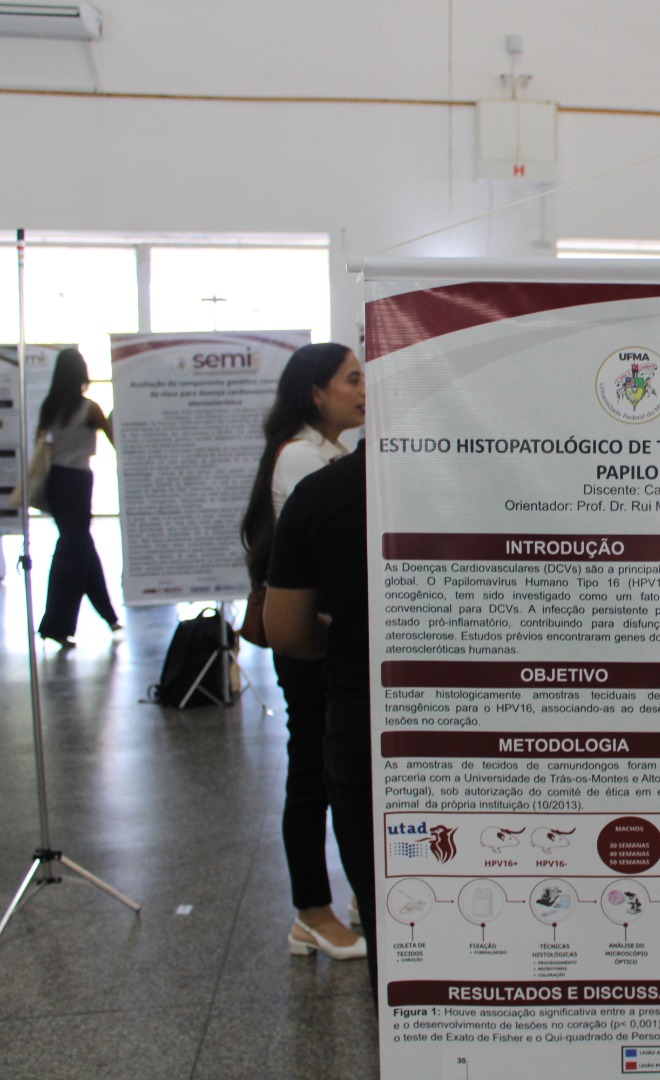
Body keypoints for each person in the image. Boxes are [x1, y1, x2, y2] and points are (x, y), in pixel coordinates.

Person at [240, 342, 367, 963]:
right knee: (312, 769)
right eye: (351, 379)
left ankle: (352, 896)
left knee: (322, 765)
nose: (364, 390)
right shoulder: (302, 458)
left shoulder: (330, 452)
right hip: (308, 641)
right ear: (316, 393)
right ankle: (311, 911)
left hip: (325, 636)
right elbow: (319, 557)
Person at [264, 441, 376, 996]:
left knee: (394, 923)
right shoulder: (522, 474)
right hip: (514, 735)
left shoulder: (322, 493)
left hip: (367, 724)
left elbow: (286, 632)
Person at [36, 347, 120, 647]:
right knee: (72, 552)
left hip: (56, 481)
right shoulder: (90, 409)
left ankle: (109, 616)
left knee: (80, 547)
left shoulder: (50, 407)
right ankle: (55, 625)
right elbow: (116, 440)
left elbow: (40, 445)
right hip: (78, 482)